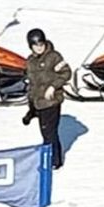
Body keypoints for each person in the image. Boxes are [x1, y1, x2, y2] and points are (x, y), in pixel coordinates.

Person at [24, 28, 71, 170]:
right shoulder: (31, 61)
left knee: (49, 132)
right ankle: (51, 157)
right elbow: (32, 83)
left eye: (41, 44)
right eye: (36, 45)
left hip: (51, 101)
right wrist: (30, 105)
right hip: (38, 102)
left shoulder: (53, 57)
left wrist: (53, 86)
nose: (39, 48)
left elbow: (66, 72)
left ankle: (53, 161)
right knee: (46, 132)